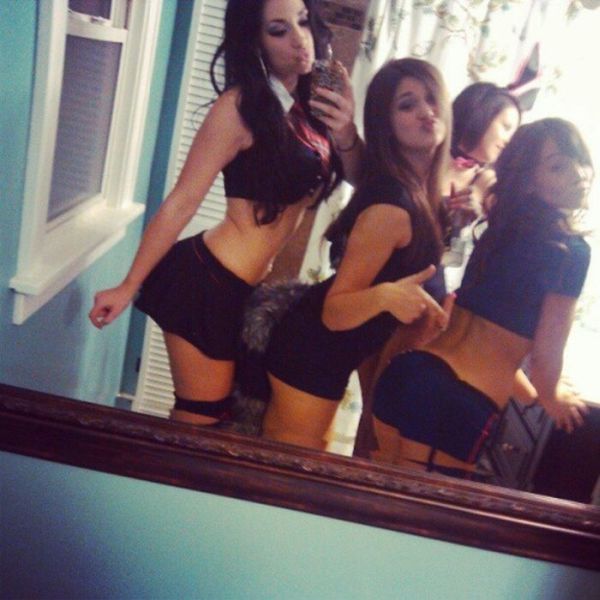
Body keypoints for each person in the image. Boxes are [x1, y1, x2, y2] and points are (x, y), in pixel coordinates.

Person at [88, 0, 359, 427]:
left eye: (303, 22)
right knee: (201, 422)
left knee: (225, 419)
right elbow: (183, 200)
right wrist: (129, 284)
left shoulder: (313, 103)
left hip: (245, 289)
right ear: (254, 41)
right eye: (278, 30)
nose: (299, 40)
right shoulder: (238, 108)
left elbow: (360, 177)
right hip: (204, 283)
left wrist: (346, 131)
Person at [371, 118, 592, 478]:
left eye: (580, 160)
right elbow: (545, 359)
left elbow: (492, 342)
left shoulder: (500, 231)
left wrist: (535, 394)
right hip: (455, 401)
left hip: (408, 372)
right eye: (558, 167)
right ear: (529, 180)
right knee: (418, 511)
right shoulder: (571, 251)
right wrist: (553, 397)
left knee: (374, 498)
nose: (578, 174)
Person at [261, 58, 454, 450]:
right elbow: (335, 311)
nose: (426, 111)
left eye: (432, 98)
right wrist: (386, 296)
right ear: (386, 124)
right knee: (283, 472)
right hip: (312, 353)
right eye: (407, 104)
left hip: (329, 353)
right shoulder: (393, 207)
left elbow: (361, 168)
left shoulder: (414, 189)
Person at [442, 83, 521, 286]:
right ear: (480, 113)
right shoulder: (426, 151)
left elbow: (451, 259)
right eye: (506, 127)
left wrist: (461, 226)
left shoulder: (488, 183)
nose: (508, 141)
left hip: (428, 286)